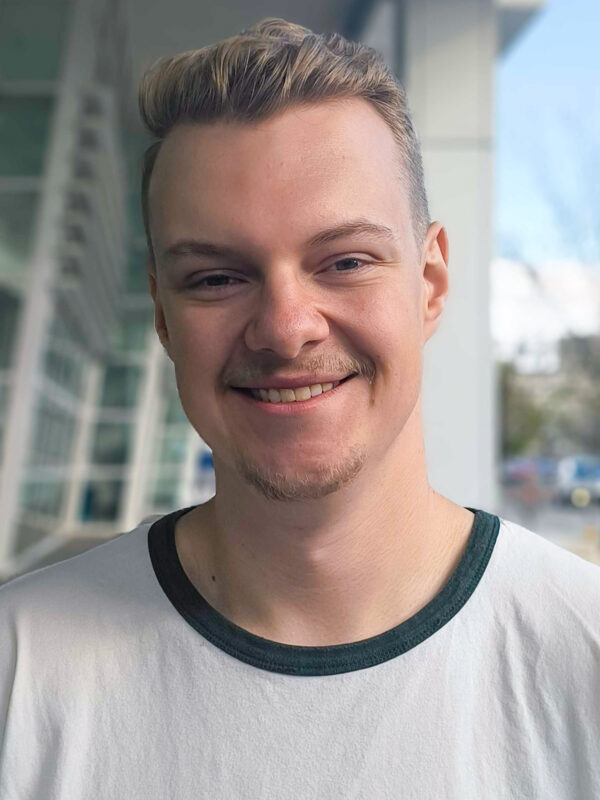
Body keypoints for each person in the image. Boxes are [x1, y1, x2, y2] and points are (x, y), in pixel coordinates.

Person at [1, 18, 599, 799]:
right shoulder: (20, 666)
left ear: (430, 284)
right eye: (216, 278)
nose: (286, 329)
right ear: (161, 315)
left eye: (345, 262)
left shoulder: (582, 653)